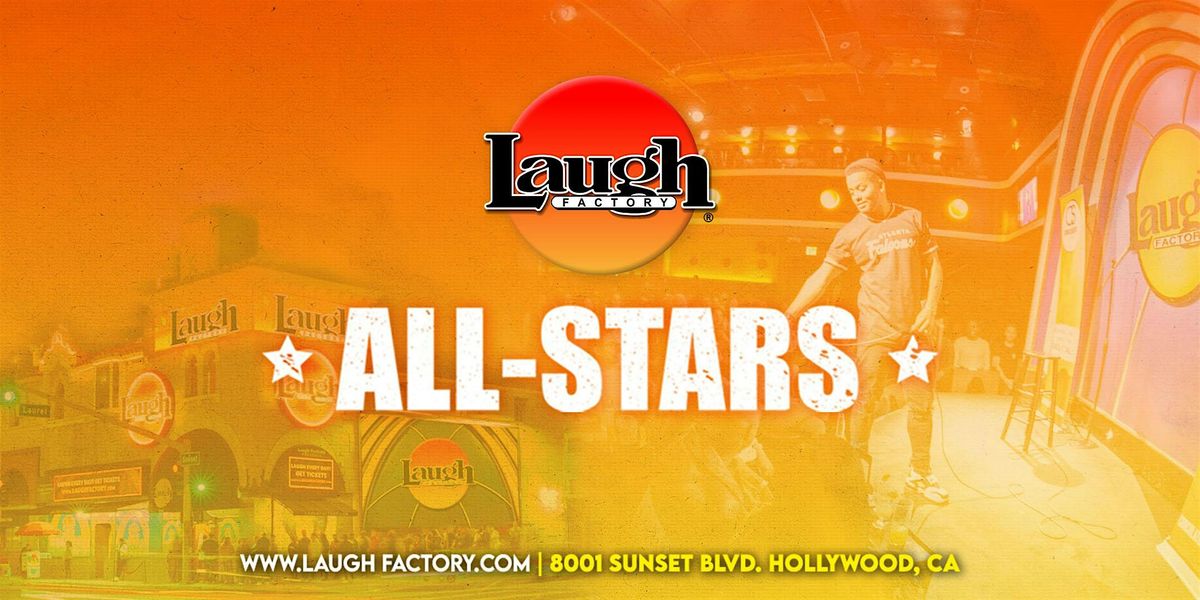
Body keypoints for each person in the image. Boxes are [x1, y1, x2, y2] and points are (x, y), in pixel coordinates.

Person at [786, 156, 948, 504]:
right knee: (864, 406)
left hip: (914, 334)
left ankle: (920, 473)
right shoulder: (850, 233)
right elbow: (822, 276)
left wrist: (930, 307)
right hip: (876, 333)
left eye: (862, 187)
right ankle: (856, 479)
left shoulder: (912, 218)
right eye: (851, 191)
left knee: (921, 406)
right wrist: (790, 313)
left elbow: (934, 264)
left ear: (880, 184)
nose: (857, 195)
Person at [952, 320, 998, 393]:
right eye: (970, 326)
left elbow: (987, 364)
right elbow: (955, 362)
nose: (972, 329)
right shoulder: (959, 341)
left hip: (979, 376)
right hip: (963, 374)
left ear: (979, 329)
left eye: (975, 326)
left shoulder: (984, 343)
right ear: (966, 328)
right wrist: (960, 372)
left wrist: (982, 373)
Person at [993, 324, 1022, 393]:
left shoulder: (1018, 348)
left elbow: (1019, 365)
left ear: (1016, 335)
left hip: (1014, 381)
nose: (1011, 335)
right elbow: (996, 365)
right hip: (1000, 379)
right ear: (1005, 333)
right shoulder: (998, 346)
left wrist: (1014, 381)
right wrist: (1006, 380)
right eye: (1009, 332)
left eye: (1013, 332)